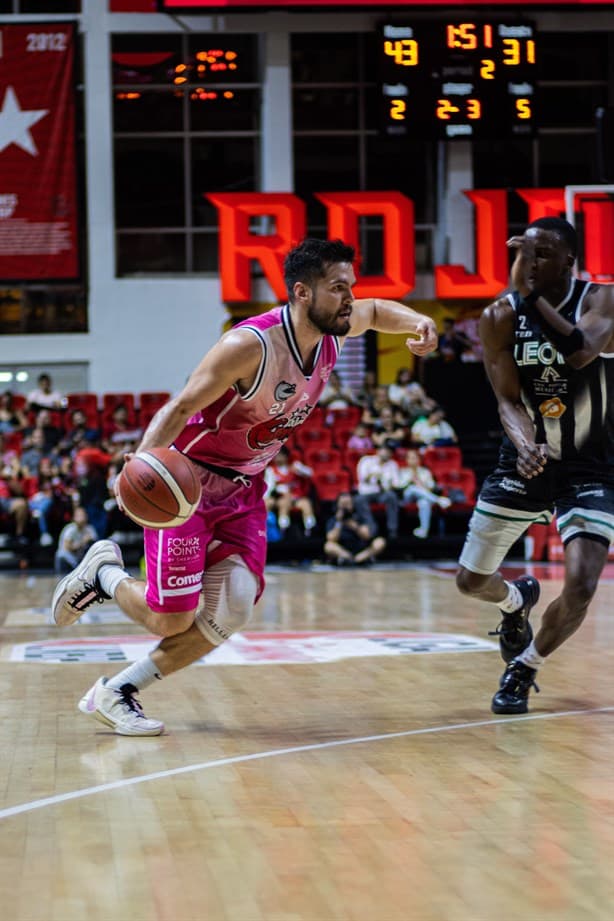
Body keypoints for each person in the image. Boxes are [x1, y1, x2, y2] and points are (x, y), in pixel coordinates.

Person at [50, 237, 437, 735]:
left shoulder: (334, 333)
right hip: (188, 486)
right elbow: (181, 406)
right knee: (172, 620)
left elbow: (379, 310)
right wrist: (139, 465)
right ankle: (104, 575)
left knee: (232, 607)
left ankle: (117, 690)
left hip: (245, 488)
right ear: (301, 293)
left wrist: (418, 323)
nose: (350, 298)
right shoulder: (248, 347)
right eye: (339, 288)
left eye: (351, 288)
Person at [455, 216, 614, 715]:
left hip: (591, 464)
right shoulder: (499, 315)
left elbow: (583, 351)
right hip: (527, 460)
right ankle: (513, 603)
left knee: (583, 583)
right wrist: (524, 443)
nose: (532, 262)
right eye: (527, 252)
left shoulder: (601, 298)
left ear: (570, 260)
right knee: (469, 581)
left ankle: (525, 666)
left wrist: (528, 298)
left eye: (543, 253)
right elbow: (506, 400)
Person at [263, 445, 317, 536]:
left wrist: (300, 470)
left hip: (296, 498)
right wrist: (277, 492)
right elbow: (269, 488)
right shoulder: (271, 470)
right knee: (284, 504)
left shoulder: (295, 467)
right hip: (281, 498)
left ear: (286, 456)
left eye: (280, 455)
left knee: (306, 504)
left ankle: (310, 530)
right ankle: (284, 529)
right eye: (275, 456)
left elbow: (310, 473)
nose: (278, 458)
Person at [398, 448, 452, 538]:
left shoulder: (425, 472)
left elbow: (431, 487)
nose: (413, 460)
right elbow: (398, 487)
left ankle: (424, 530)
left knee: (424, 502)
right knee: (412, 488)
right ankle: (439, 500)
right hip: (407, 498)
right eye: (410, 458)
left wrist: (421, 484)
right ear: (406, 460)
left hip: (423, 496)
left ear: (419, 459)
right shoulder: (403, 472)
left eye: (415, 458)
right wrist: (410, 480)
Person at [324, 491, 386, 565]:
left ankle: (360, 558)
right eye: (343, 504)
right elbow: (331, 539)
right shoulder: (334, 520)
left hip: (362, 550)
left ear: (353, 504)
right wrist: (339, 522)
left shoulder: (360, 517)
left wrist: (355, 527)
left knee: (380, 542)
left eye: (348, 504)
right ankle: (349, 558)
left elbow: (367, 536)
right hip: (344, 550)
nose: (345, 507)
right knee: (328, 546)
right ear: (338, 505)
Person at [355, 443, 401, 539]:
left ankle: (392, 530)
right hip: (366, 492)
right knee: (359, 500)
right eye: (385, 450)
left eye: (390, 451)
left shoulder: (393, 464)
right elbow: (362, 478)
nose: (387, 453)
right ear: (378, 451)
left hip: (382, 493)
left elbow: (396, 484)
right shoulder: (366, 460)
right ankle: (371, 527)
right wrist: (374, 475)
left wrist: (387, 484)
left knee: (392, 496)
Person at [55, 506, 98, 573]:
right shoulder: (70, 529)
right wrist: (82, 542)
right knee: (61, 555)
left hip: (82, 559)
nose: (81, 517)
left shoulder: (90, 529)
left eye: (83, 515)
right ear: (74, 517)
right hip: (69, 558)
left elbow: (95, 545)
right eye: (79, 515)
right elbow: (67, 547)